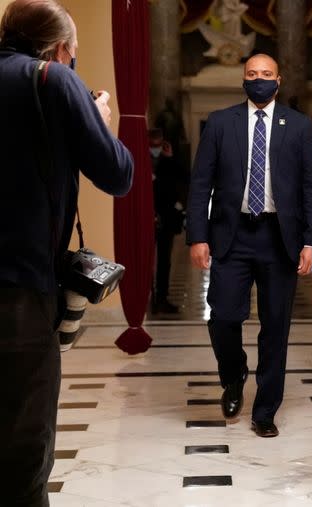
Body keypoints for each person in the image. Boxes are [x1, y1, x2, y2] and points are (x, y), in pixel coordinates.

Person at [0, 1, 134, 504]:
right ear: (60, 49)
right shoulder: (54, 80)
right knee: (23, 441)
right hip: (20, 286)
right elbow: (118, 175)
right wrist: (98, 118)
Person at [186, 52, 312, 438]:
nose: (258, 79)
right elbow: (200, 185)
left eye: (266, 74)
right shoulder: (219, 123)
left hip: (281, 238)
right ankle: (233, 374)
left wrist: (311, 242)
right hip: (232, 235)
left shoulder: (299, 126)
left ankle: (265, 410)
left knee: (275, 328)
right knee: (224, 315)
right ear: (243, 79)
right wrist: (198, 235)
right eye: (252, 74)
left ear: (279, 81)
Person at [149, 128, 186, 314]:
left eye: (158, 144)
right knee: (147, 261)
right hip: (148, 216)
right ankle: (149, 298)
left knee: (165, 261)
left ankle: (162, 298)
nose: (155, 148)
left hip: (166, 217)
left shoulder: (168, 161)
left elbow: (181, 178)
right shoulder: (142, 160)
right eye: (153, 144)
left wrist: (170, 158)